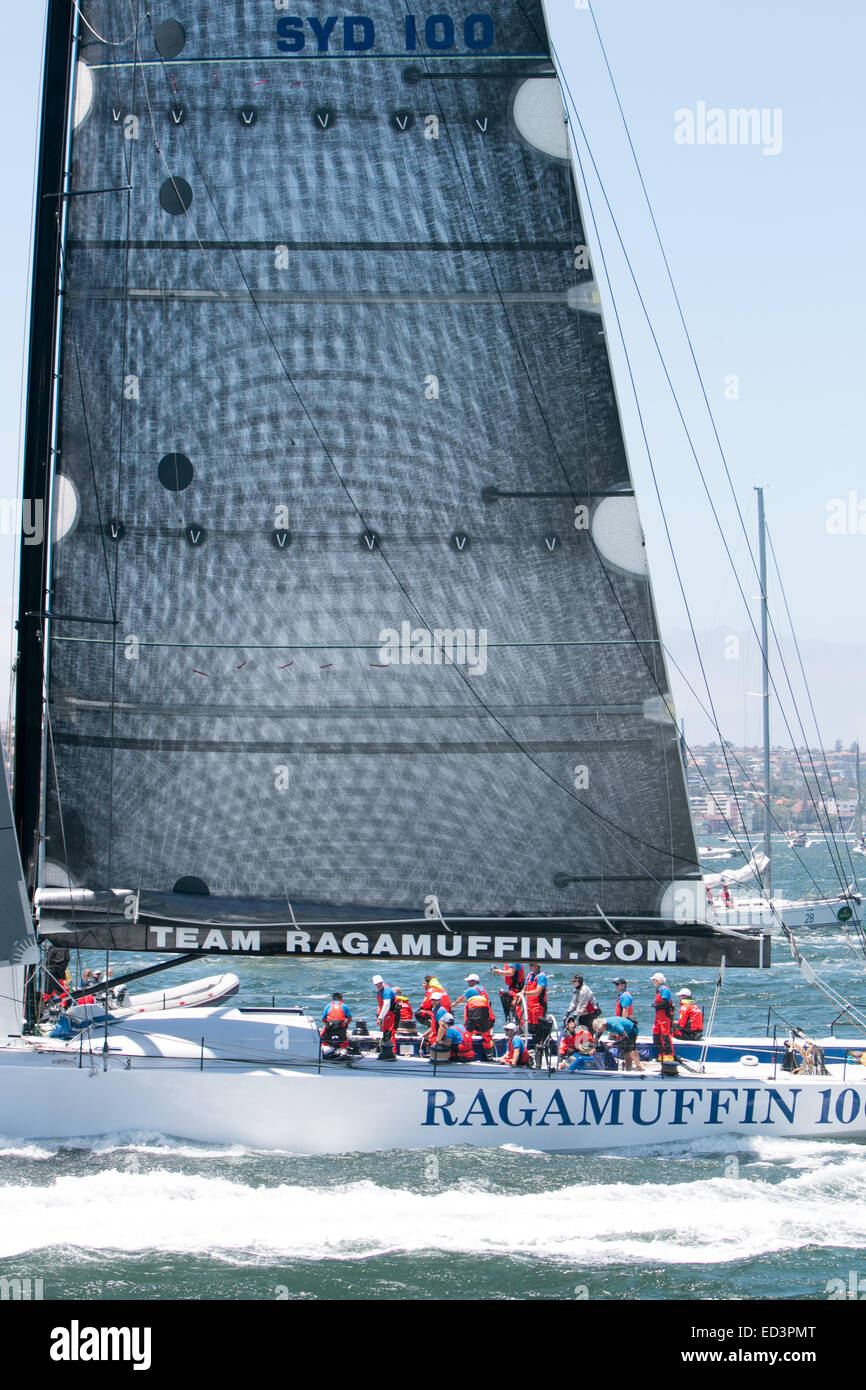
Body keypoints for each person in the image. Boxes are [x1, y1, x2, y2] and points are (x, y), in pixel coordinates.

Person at [454, 973, 496, 1059]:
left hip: (474, 1011)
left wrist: (455, 1004)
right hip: (485, 1012)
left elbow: (461, 999)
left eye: (469, 981)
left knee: (467, 1033)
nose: (468, 983)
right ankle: (489, 1056)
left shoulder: (471, 990)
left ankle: (466, 1054)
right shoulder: (483, 989)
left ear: (474, 982)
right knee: (486, 1035)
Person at [373, 974, 398, 1060]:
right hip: (386, 1015)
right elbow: (381, 1005)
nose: (378, 985)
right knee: (386, 1031)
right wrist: (379, 1014)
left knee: (390, 1033)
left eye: (380, 983)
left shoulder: (386, 990)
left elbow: (386, 1005)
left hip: (391, 1014)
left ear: (382, 982)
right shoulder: (380, 990)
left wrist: (380, 1018)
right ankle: (386, 1052)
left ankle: (390, 1053)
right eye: (376, 984)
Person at [650, 972, 675, 1061]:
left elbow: (665, 1003)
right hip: (658, 1016)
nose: (653, 982)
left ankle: (669, 1055)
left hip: (665, 1016)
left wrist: (655, 1005)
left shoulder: (665, 989)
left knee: (665, 1036)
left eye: (654, 980)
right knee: (656, 1036)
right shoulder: (658, 990)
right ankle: (661, 1055)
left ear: (657, 980)